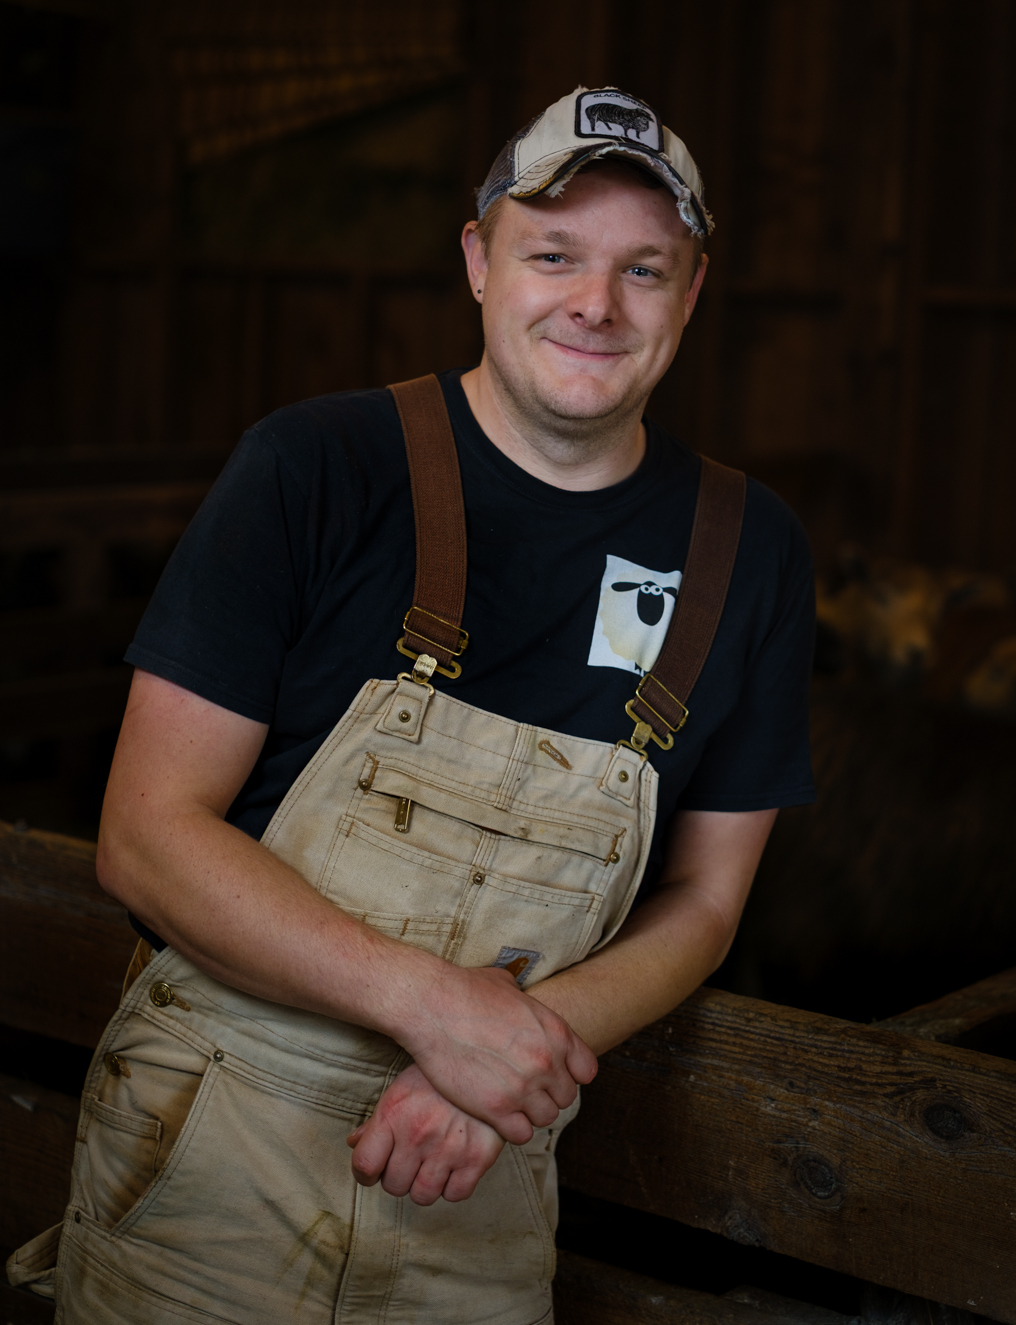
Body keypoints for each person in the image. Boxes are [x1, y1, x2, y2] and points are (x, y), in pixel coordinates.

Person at [8, 86, 815, 1324]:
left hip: (484, 1177)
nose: (596, 304)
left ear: (692, 292)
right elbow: (147, 833)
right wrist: (435, 1011)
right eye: (553, 254)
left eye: (643, 269)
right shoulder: (316, 468)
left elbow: (706, 902)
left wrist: (513, 1051)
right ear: (479, 261)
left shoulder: (748, 550)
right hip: (209, 1157)